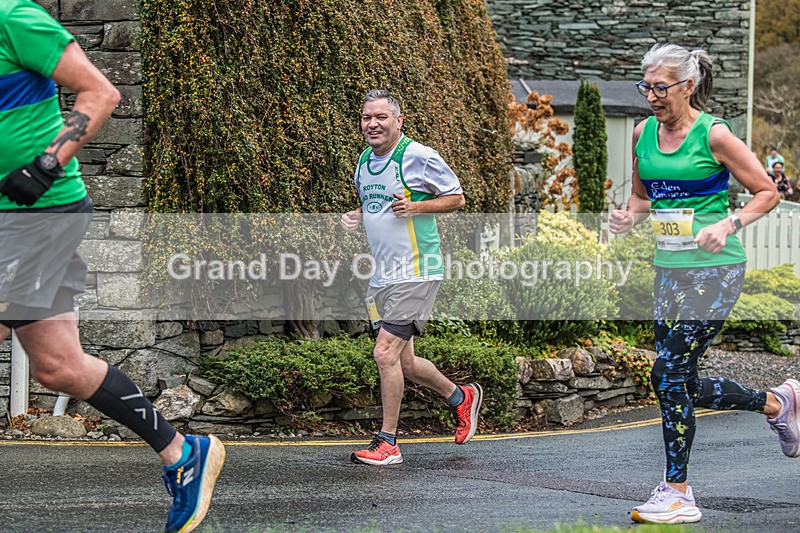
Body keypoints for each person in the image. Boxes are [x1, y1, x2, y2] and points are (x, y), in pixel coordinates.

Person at [0, 2, 224, 531]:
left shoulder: (15, 18)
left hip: (38, 214)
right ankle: (181, 452)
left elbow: (102, 92)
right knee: (60, 367)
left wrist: (47, 163)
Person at [611, 43, 791, 525]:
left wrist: (728, 225)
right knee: (679, 378)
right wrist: (628, 216)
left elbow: (767, 192)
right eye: (644, 86)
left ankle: (677, 492)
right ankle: (778, 402)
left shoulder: (715, 135)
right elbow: (640, 196)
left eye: (660, 87)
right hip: (668, 268)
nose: (651, 96)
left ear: (687, 86)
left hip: (716, 270)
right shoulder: (642, 133)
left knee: (666, 374)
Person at [341, 90, 482, 465]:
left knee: (383, 353)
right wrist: (357, 215)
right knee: (404, 363)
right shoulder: (364, 161)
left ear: (398, 121)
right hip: (382, 276)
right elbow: (375, 202)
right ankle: (461, 397)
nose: (372, 123)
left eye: (381, 117)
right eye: (366, 117)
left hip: (417, 271)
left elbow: (456, 197)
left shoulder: (417, 156)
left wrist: (417, 206)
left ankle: (387, 442)